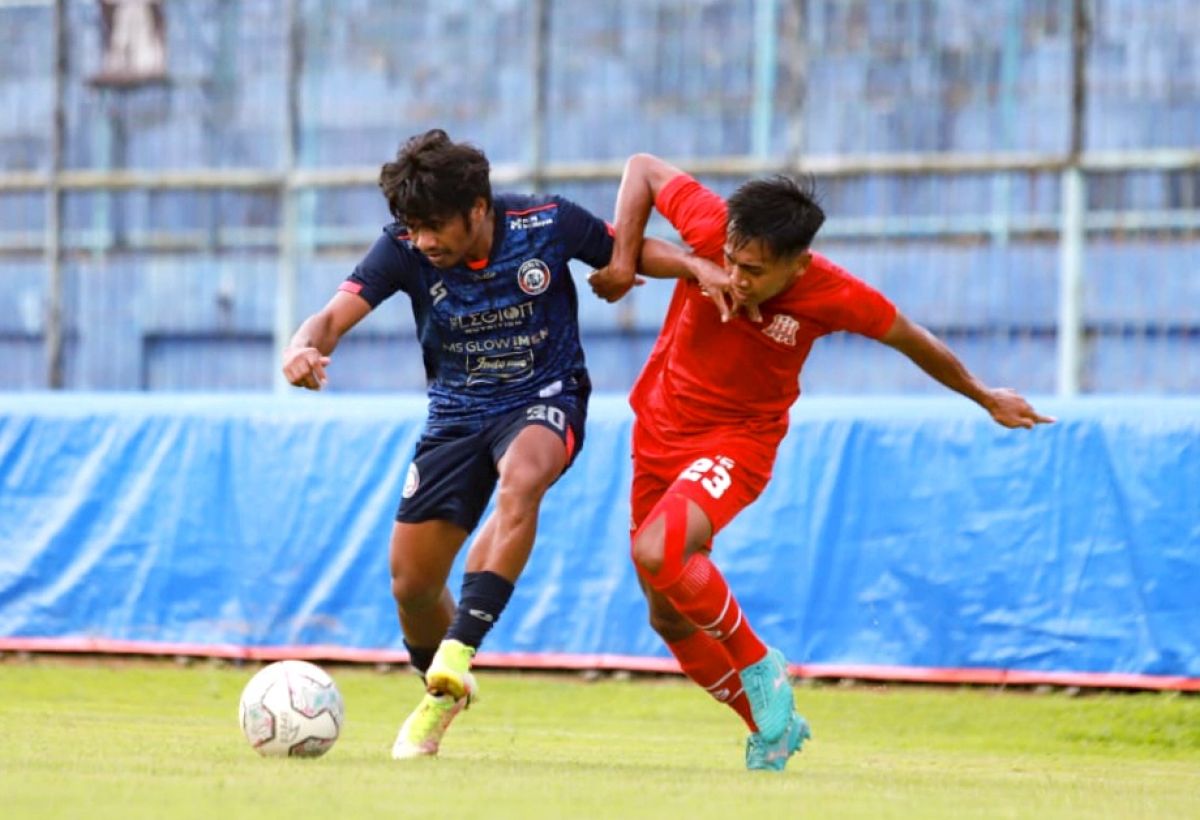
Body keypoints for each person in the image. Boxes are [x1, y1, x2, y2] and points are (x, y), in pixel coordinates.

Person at [587, 153, 1055, 772]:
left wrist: (984, 395)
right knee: (665, 613)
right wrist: (634, 263)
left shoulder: (829, 291)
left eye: (753, 270)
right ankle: (769, 728)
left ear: (797, 264)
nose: (737, 275)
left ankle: (760, 663)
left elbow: (911, 336)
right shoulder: (711, 229)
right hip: (657, 432)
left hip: (736, 443)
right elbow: (642, 168)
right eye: (731, 259)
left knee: (658, 552)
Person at [281, 131, 699, 759]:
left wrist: (698, 266)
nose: (423, 241)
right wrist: (301, 347)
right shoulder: (403, 249)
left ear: (479, 207)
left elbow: (628, 250)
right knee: (412, 585)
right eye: (412, 228)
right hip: (454, 415)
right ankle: (441, 694)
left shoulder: (547, 222)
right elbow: (333, 317)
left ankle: (458, 652)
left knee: (523, 478)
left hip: (546, 396)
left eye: (433, 227)